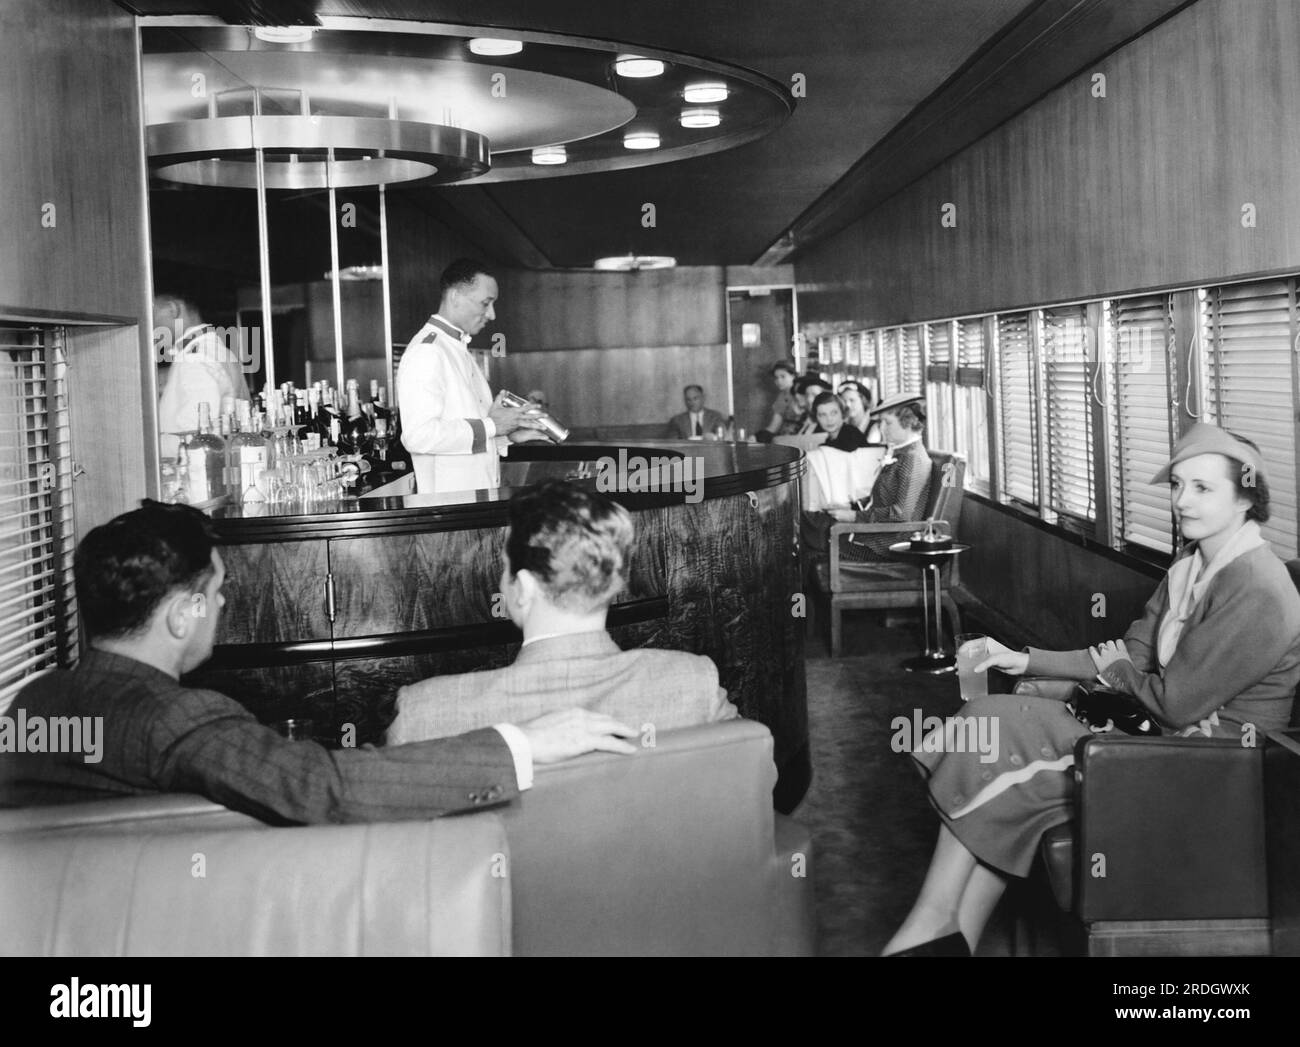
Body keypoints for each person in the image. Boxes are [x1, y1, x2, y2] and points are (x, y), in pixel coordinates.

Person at [883, 424, 1300, 957]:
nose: (1181, 501)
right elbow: (1129, 654)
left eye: (1201, 488)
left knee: (995, 730)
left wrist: (1120, 673)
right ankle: (943, 927)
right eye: (1176, 485)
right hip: (1160, 733)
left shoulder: (1259, 587)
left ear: (1247, 498)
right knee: (992, 714)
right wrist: (1022, 656)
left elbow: (1174, 700)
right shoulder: (1190, 568)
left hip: (1216, 764)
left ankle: (931, 928)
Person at [0, 502, 638, 824]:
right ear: (180, 615)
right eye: (218, 593)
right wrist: (520, 745)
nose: (223, 605)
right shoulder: (179, 721)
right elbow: (325, 788)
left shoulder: (29, 705)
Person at [388, 481, 739, 743]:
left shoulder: (427, 714)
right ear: (612, 582)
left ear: (523, 588)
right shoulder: (694, 684)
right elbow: (749, 787)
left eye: (504, 567)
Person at [396, 259, 548, 496]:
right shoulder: (428, 350)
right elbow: (419, 436)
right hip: (448, 512)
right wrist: (491, 426)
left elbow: (469, 436)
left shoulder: (457, 348)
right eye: (485, 303)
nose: (492, 314)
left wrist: (506, 434)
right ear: (455, 296)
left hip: (475, 503)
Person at [803, 392, 933, 561]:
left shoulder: (912, 459)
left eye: (887, 422)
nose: (882, 428)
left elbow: (901, 514)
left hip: (885, 545)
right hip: (874, 535)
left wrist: (854, 516)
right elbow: (878, 499)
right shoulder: (901, 453)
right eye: (881, 423)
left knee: (810, 531)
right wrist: (849, 506)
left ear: (908, 423)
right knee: (809, 522)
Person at [155, 294, 251, 459]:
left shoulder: (194, 359)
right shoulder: (219, 351)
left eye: (151, 313)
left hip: (196, 475)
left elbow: (196, 439)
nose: (149, 324)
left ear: (172, 309)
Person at [756, 360, 804, 441]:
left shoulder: (802, 393)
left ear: (793, 376)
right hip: (786, 438)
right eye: (776, 378)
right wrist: (756, 437)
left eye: (783, 376)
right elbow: (774, 426)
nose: (779, 381)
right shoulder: (781, 397)